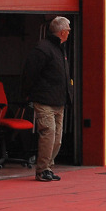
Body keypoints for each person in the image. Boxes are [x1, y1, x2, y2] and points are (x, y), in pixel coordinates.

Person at [21, 16, 73, 182]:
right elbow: (30, 73)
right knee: (48, 134)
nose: (70, 33)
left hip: (59, 101)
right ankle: (42, 170)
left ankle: (48, 167)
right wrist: (29, 94)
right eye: (69, 30)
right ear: (62, 31)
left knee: (57, 139)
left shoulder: (60, 48)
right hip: (44, 100)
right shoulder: (43, 49)